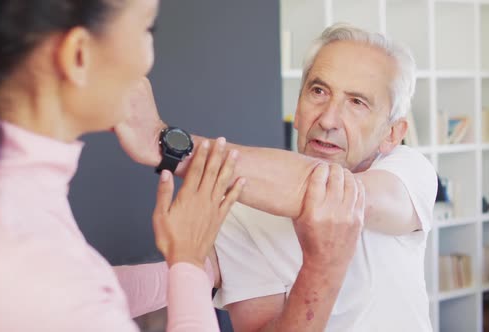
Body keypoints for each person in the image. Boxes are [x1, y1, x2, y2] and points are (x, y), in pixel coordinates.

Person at [115, 23, 437, 331]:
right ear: (297, 109)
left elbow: (330, 191)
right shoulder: (241, 211)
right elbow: (184, 279)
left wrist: (165, 144)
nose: (328, 119)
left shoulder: (408, 171)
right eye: (319, 91)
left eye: (356, 102)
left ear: (393, 133)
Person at [0, 0, 246, 331]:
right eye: (147, 29)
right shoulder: (31, 262)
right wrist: (189, 261)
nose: (148, 61)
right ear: (79, 55)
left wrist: (202, 269)